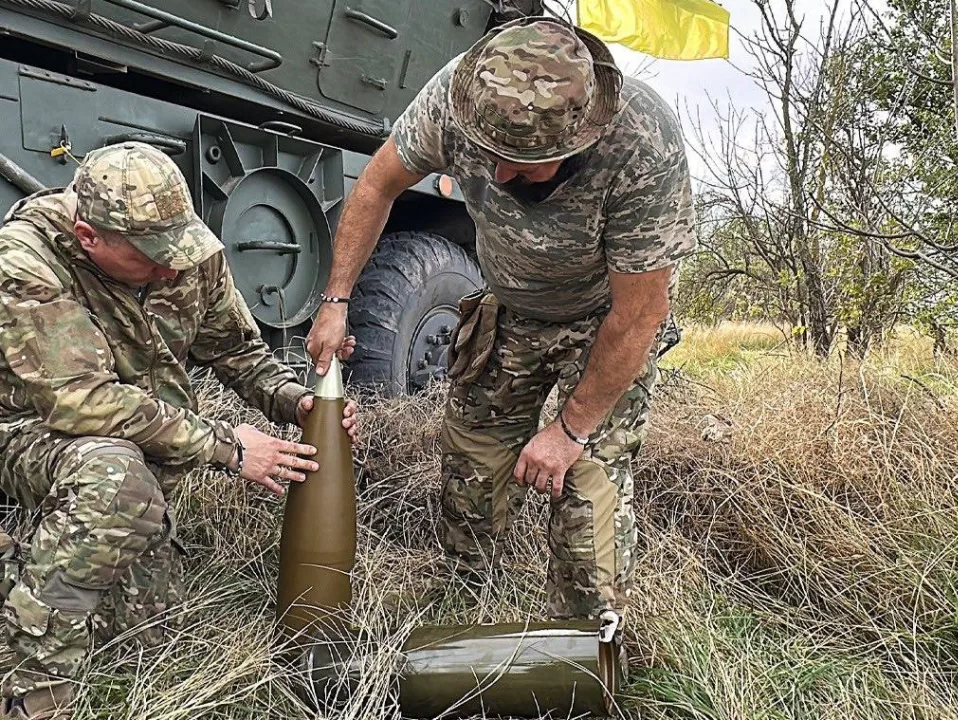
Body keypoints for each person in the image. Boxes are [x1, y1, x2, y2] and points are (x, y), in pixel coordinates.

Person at [305, 16, 695, 621]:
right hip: (510, 309)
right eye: (492, 158)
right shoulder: (459, 99)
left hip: (604, 323)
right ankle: (465, 604)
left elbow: (640, 314)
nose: (500, 177)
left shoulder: (642, 144)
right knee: (470, 462)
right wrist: (336, 301)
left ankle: (587, 647)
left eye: (526, 165)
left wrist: (567, 432)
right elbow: (378, 184)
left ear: (578, 143)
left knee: (587, 485)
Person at [0, 142, 359, 719]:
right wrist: (227, 446)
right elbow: (80, 402)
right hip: (27, 429)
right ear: (90, 237)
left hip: (139, 443)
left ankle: (28, 571)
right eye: (151, 257)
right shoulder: (25, 263)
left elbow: (239, 351)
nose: (172, 268)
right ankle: (31, 690)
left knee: (150, 641)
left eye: (178, 248)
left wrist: (295, 402)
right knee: (115, 481)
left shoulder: (185, 255)